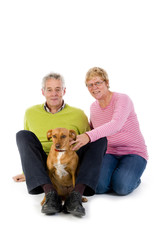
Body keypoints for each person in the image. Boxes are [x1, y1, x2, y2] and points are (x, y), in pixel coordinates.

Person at [13, 73, 107, 217]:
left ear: (64, 91)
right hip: (45, 160)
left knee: (99, 138)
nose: (54, 94)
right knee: (22, 135)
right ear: (43, 92)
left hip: (71, 156)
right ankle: (51, 194)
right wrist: (28, 172)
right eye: (49, 89)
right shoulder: (30, 113)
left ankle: (76, 195)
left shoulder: (78, 114)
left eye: (58, 89)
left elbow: (87, 142)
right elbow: (28, 146)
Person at [71, 67, 148, 196]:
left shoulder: (122, 99)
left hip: (133, 152)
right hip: (109, 152)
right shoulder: (93, 107)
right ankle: (118, 174)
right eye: (90, 85)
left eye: (98, 83)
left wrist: (87, 136)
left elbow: (115, 125)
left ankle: (132, 178)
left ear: (106, 83)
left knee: (122, 187)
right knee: (98, 187)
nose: (94, 87)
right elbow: (93, 130)